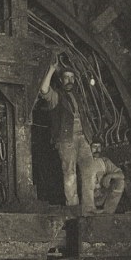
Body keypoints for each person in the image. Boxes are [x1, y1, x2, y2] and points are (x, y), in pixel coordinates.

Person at [39, 58, 97, 213]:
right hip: (66, 140)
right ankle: (73, 209)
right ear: (61, 80)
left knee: (89, 172)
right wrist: (51, 69)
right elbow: (44, 90)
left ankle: (89, 209)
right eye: (66, 78)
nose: (70, 80)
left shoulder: (78, 97)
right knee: (70, 174)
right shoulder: (57, 96)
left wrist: (91, 138)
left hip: (83, 138)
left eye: (72, 78)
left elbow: (86, 119)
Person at [91, 142, 125, 214]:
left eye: (99, 147)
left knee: (120, 182)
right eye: (94, 147)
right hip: (89, 197)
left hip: (102, 194)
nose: (97, 149)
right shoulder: (82, 162)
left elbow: (121, 175)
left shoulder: (104, 161)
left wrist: (109, 176)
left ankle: (108, 213)